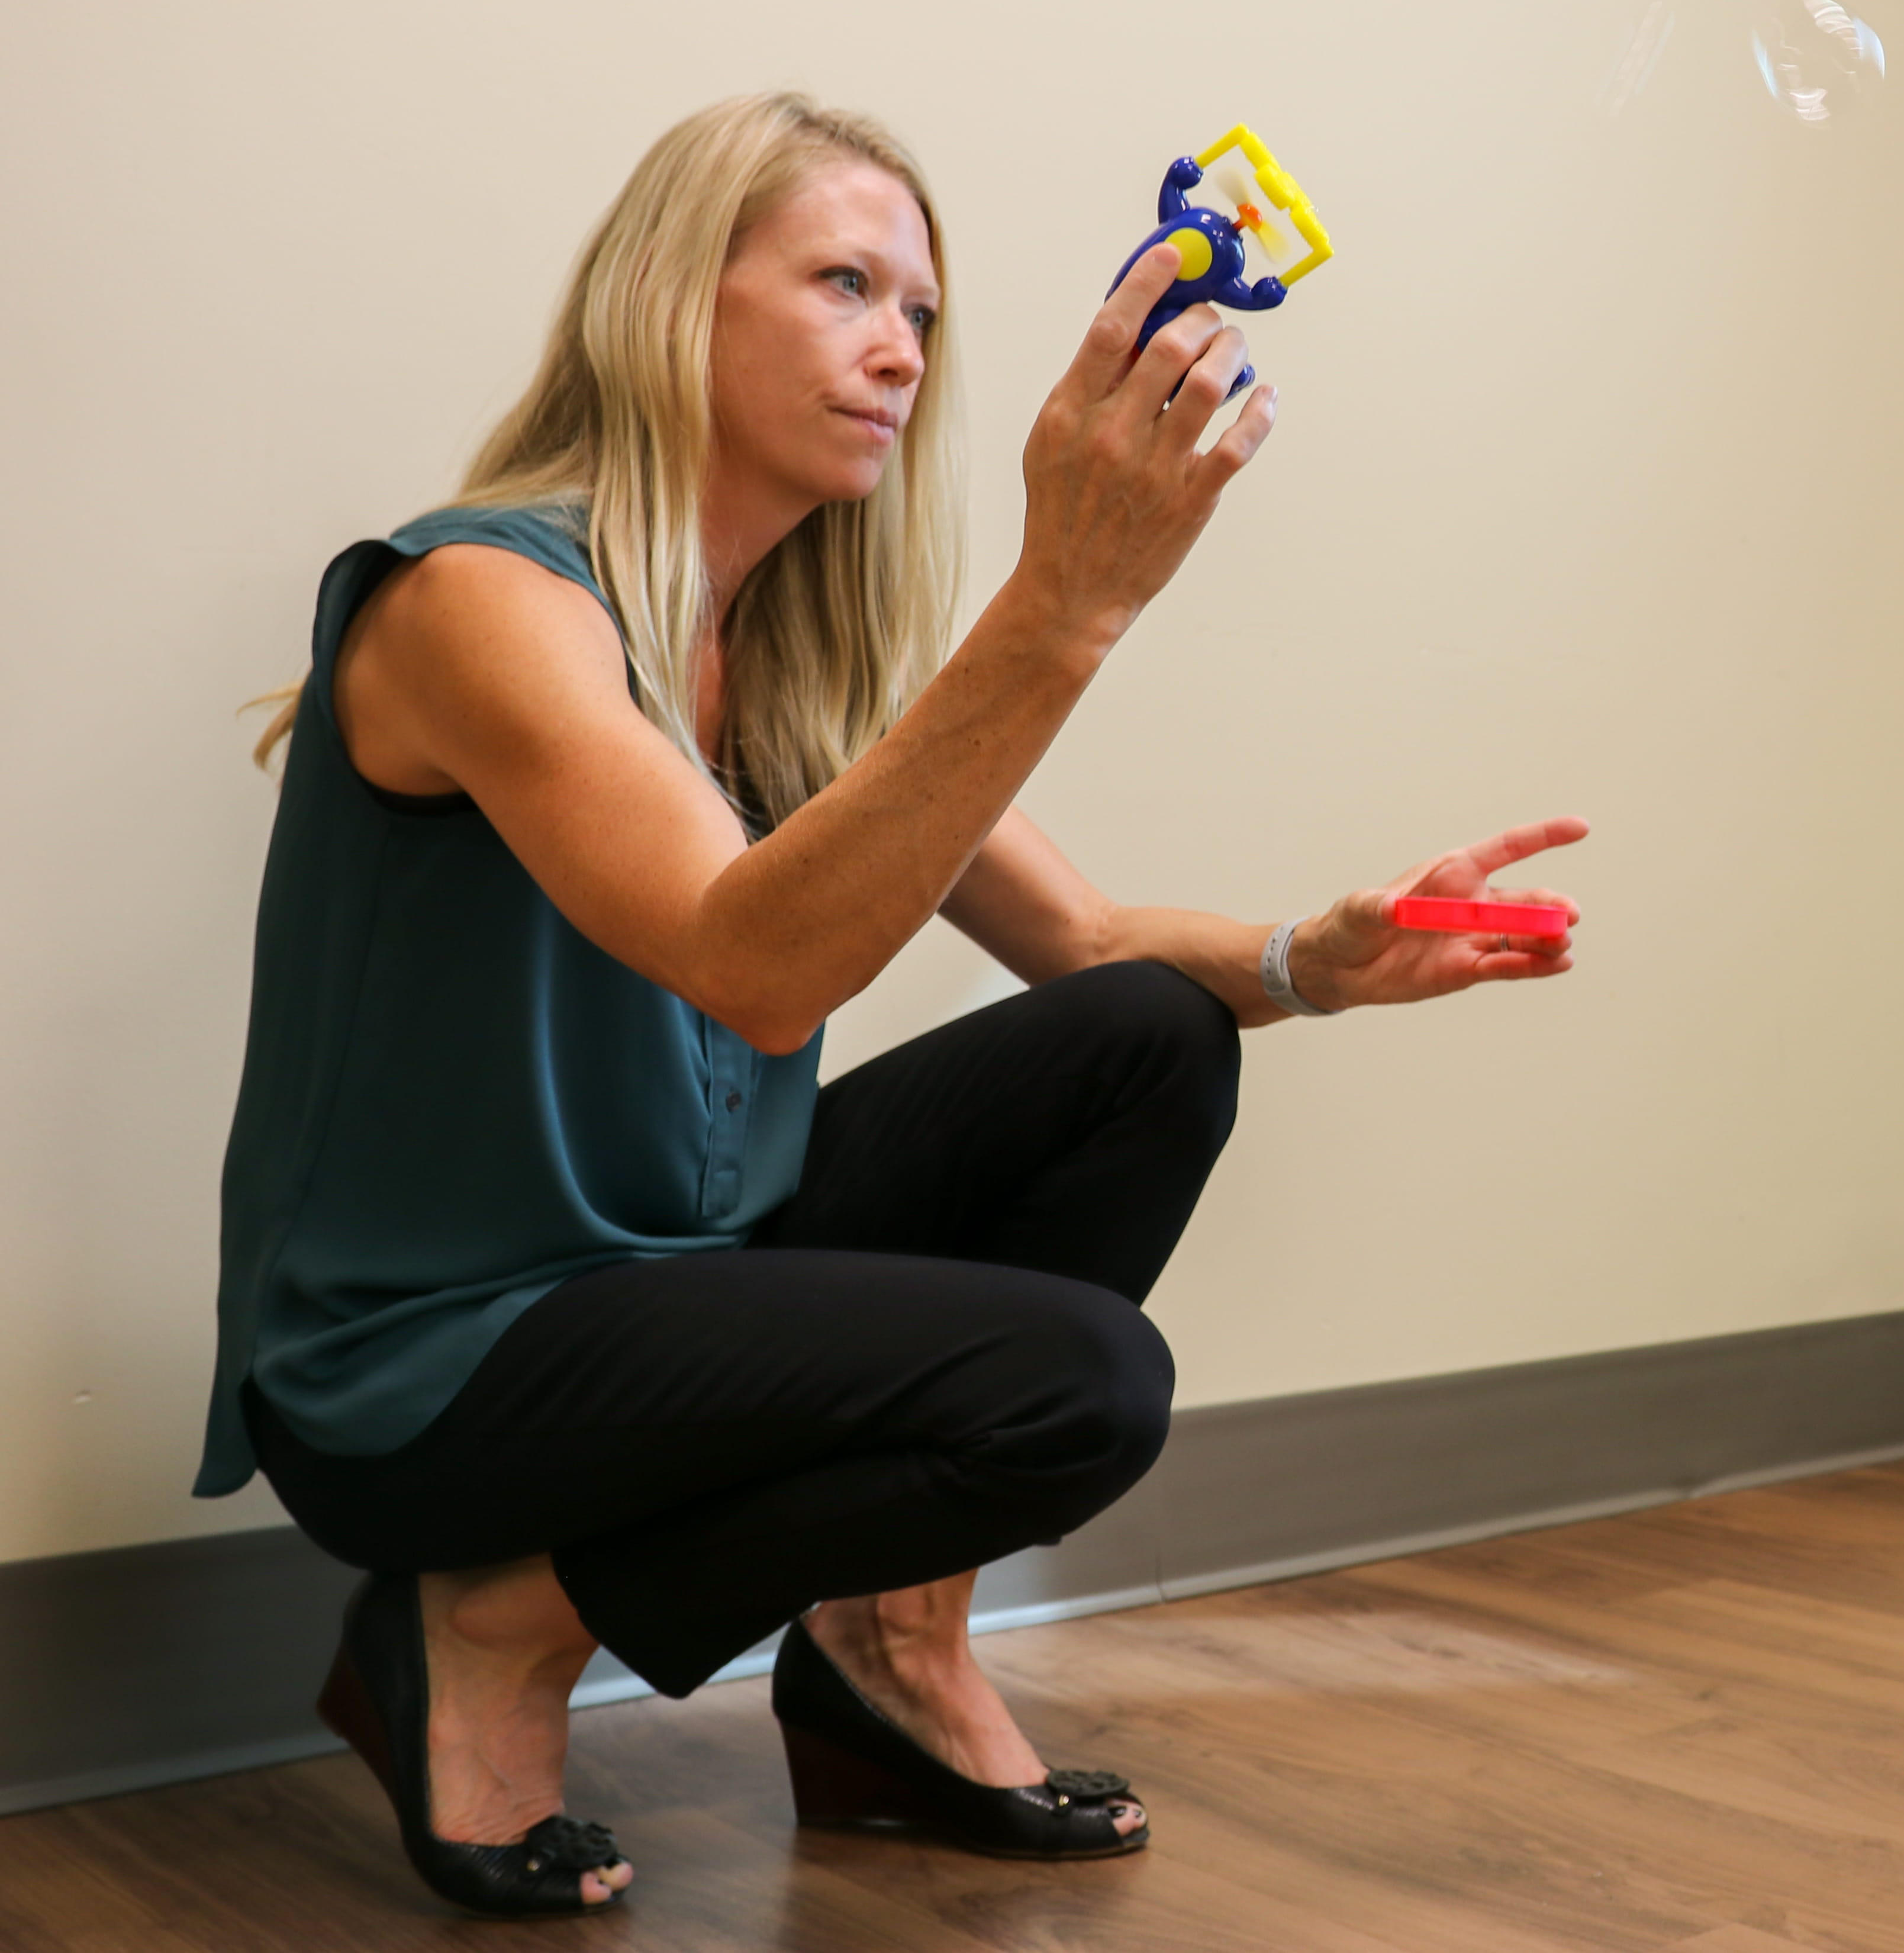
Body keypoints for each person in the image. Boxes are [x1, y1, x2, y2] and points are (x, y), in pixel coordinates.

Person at [200, 92, 1587, 1917]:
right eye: (845, 284)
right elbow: (753, 962)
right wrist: (1068, 603)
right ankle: (487, 1625)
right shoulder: (482, 601)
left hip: (674, 1293)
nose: (899, 350)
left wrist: (1300, 967)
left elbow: (1086, 950)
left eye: (923, 313)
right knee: (1082, 1390)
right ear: (672, 300)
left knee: (1147, 1041)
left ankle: (884, 1649)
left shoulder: (795, 653)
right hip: (435, 1365)